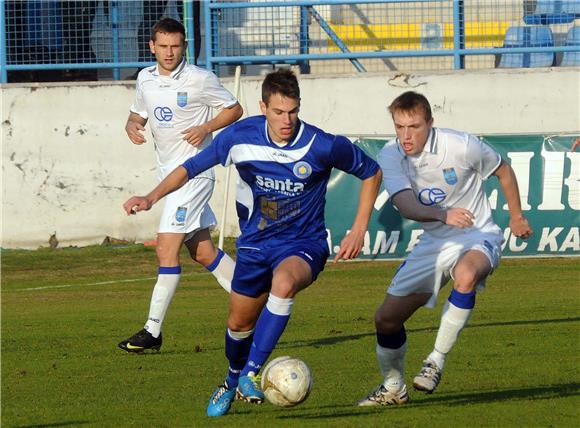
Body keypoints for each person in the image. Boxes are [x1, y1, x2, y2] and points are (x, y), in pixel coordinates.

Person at [123, 69, 382, 416]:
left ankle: (252, 371)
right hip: (256, 245)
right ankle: (231, 380)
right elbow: (191, 167)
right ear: (263, 107)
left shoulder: (322, 144)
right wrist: (152, 196)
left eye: (292, 111)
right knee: (238, 324)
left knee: (285, 282)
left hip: (303, 243)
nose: (286, 120)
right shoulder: (239, 137)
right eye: (278, 112)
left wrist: (358, 228)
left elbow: (371, 171)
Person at [357, 91, 533, 406]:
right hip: (434, 241)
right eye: (399, 127)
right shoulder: (390, 154)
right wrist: (442, 215)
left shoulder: (462, 145)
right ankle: (394, 388)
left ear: (431, 123)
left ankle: (435, 360)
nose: (406, 135)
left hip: (477, 233)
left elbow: (503, 170)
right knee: (386, 319)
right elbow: (405, 204)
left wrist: (516, 216)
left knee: (466, 274)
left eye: (414, 126)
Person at [118, 17, 243, 353]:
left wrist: (206, 128)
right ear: (152, 47)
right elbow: (137, 115)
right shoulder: (145, 79)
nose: (169, 53)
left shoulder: (201, 79)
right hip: (167, 177)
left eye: (175, 46)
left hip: (195, 175)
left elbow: (234, 109)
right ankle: (253, 299)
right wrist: (131, 126)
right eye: (163, 46)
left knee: (165, 248)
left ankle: (152, 331)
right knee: (203, 252)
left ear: (184, 46)